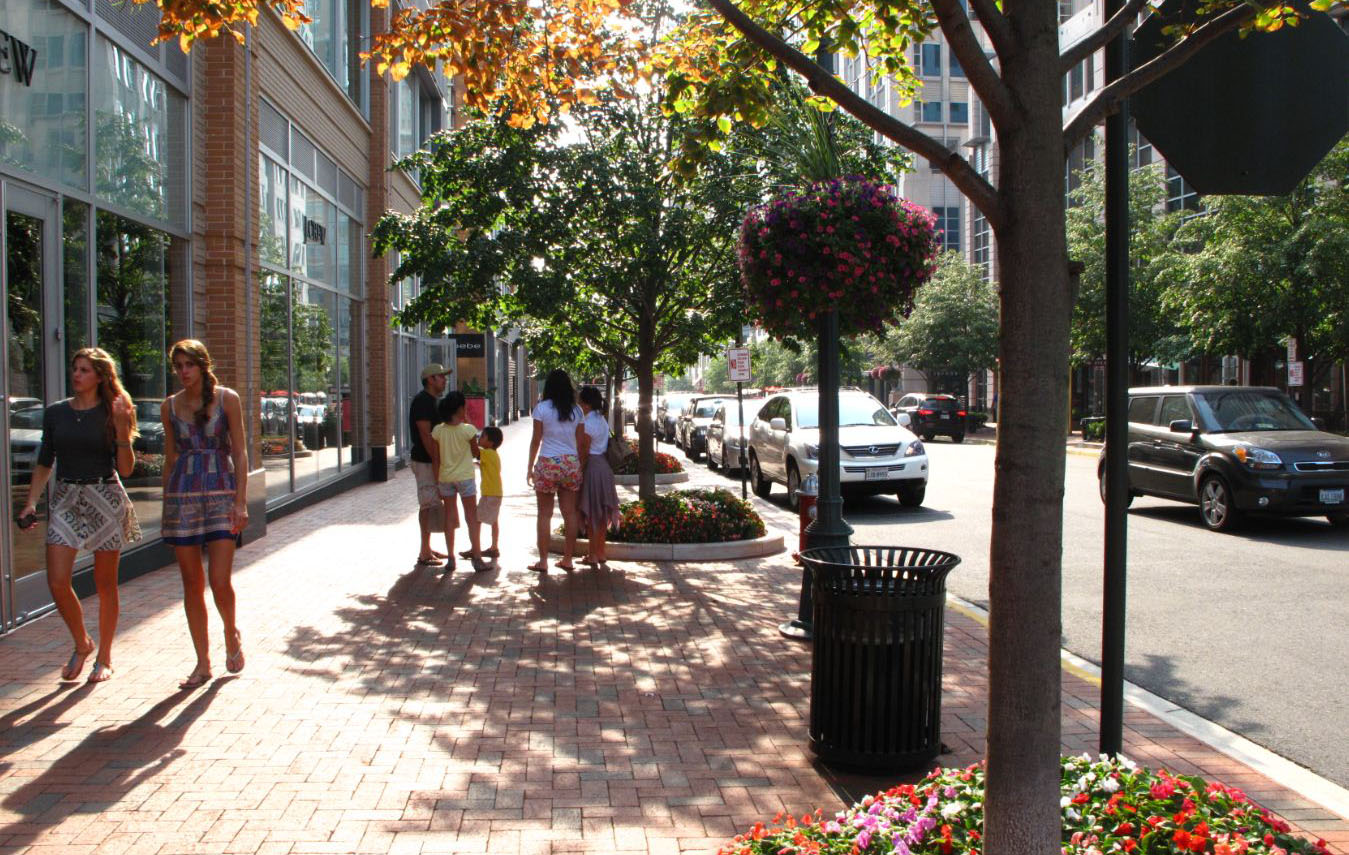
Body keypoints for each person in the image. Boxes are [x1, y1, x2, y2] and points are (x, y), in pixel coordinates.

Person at [18, 347, 140, 684]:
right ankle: (82, 643)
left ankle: (105, 656)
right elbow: (45, 461)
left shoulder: (114, 410)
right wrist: (31, 502)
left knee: (105, 584)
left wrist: (119, 429)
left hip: (104, 494)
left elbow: (127, 469)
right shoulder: (56, 413)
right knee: (57, 582)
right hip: (66, 497)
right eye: (75, 368)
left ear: (99, 376)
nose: (77, 374)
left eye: (85, 370)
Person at [161, 340, 250, 690]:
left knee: (219, 581)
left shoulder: (227, 399)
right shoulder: (170, 406)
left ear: (203, 365)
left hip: (221, 495)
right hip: (183, 498)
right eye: (178, 366)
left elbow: (241, 453)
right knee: (190, 583)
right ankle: (202, 662)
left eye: (189, 365)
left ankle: (231, 632)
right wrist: (167, 505)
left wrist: (240, 502)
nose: (183, 372)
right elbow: (170, 459)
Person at [526, 369, 584, 573]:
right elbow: (579, 441)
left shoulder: (541, 409)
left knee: (544, 514)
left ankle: (543, 561)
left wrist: (530, 467)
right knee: (569, 513)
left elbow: (536, 440)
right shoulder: (577, 411)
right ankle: (568, 559)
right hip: (570, 463)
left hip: (547, 462)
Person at [432, 391, 489, 573]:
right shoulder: (468, 430)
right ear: (459, 409)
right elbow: (475, 453)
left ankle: (451, 558)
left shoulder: (438, 431)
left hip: (445, 478)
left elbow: (436, 458)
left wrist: (437, 481)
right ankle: (477, 557)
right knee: (471, 517)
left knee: (450, 516)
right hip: (465, 477)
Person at [410, 364, 450, 566]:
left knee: (433, 502)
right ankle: (424, 551)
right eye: (441, 377)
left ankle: (428, 546)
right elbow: (426, 435)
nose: (445, 380)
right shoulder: (422, 402)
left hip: (432, 461)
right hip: (425, 461)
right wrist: (436, 461)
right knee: (427, 504)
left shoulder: (433, 401)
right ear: (430, 379)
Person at [577, 386, 620, 570]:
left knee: (593, 512)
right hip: (605, 468)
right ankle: (600, 552)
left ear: (585, 404)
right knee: (602, 513)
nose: (579, 405)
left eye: (580, 401)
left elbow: (585, 451)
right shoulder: (601, 419)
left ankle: (592, 554)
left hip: (593, 468)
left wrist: (579, 468)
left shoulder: (588, 422)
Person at [460, 425, 503, 562]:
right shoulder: (493, 455)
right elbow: (483, 464)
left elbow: (474, 450)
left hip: (489, 493)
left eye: (482, 436)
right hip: (495, 492)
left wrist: (466, 436)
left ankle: (475, 548)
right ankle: (494, 547)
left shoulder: (487, 453)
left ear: (490, 442)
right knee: (493, 520)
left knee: (476, 519)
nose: (479, 438)